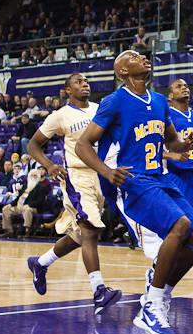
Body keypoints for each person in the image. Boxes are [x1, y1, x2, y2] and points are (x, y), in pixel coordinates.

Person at [75, 50, 193, 334]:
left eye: (142, 56)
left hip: (159, 177)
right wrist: (107, 173)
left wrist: (188, 143)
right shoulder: (115, 101)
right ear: (122, 71)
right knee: (180, 226)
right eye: (133, 56)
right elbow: (83, 145)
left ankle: (158, 293)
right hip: (131, 180)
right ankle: (153, 305)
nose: (143, 57)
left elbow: (172, 142)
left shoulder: (159, 101)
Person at [124, 79, 193, 308]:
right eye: (178, 86)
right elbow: (154, 148)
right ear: (170, 95)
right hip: (176, 178)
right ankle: (156, 271)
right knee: (178, 231)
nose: (184, 87)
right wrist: (173, 156)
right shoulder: (165, 116)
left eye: (186, 85)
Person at [22, 74, 122, 315]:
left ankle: (40, 263)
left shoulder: (100, 109)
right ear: (68, 90)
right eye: (78, 81)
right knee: (90, 231)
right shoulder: (59, 116)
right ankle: (99, 291)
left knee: (79, 236)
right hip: (76, 177)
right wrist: (48, 165)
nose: (84, 83)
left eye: (86, 80)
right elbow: (32, 145)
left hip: (102, 173)